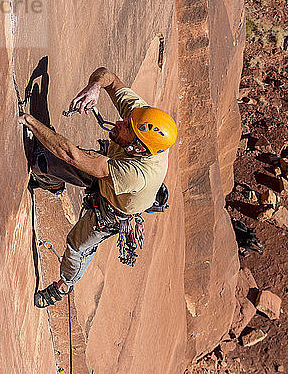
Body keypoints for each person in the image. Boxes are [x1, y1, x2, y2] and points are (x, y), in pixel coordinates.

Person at [18, 67, 177, 307]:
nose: (120, 122)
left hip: (114, 207)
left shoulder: (138, 174)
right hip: (109, 175)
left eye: (126, 128)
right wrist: (95, 87)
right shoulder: (142, 120)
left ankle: (64, 286)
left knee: (76, 246)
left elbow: (71, 155)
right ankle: (50, 184)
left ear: (139, 148)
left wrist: (30, 122)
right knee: (42, 163)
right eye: (127, 121)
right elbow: (109, 76)